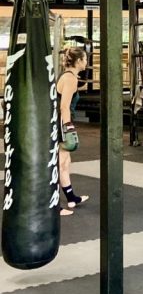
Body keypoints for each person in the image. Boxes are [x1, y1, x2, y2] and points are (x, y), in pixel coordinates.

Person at [57, 47, 90, 216]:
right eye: (85, 59)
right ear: (78, 61)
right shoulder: (70, 79)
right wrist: (68, 126)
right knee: (59, 164)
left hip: (60, 122)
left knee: (65, 163)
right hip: (60, 123)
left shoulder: (70, 77)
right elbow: (64, 106)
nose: (87, 62)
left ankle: (71, 198)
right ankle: (54, 206)